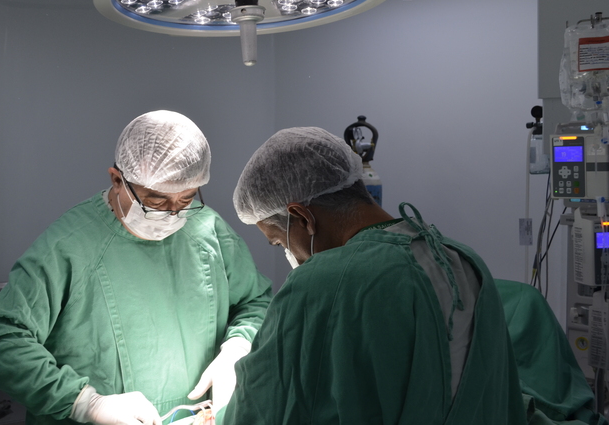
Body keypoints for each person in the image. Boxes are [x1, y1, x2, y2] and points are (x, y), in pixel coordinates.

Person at [0, 110, 272, 425]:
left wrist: (238, 345)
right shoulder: (69, 246)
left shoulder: (207, 229)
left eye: (186, 199)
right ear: (117, 180)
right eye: (156, 201)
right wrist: (85, 402)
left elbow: (255, 301)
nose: (172, 214)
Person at [223, 126, 527, 424]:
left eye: (279, 242)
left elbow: (263, 405)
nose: (289, 255)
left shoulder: (321, 282)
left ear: (302, 216)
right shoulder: (461, 259)